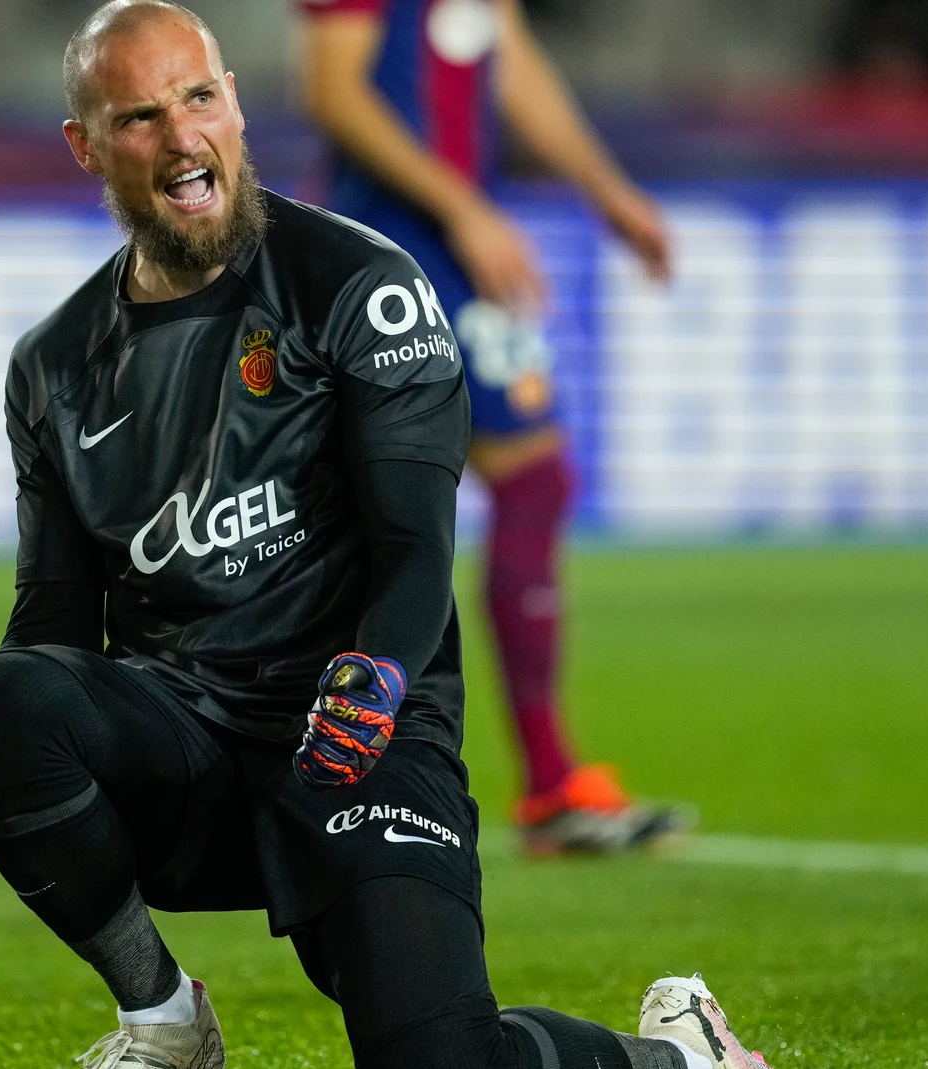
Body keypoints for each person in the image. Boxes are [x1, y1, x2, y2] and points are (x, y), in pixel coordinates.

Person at [0, 4, 771, 1067]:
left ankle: (683, 1055)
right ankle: (163, 1021)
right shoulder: (53, 366)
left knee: (437, 1059)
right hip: (188, 748)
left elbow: (415, 548)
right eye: (141, 117)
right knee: (0, 697)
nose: (183, 137)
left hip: (358, 736)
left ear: (235, 103)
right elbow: (53, 625)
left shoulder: (360, 288)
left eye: (200, 98)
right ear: (86, 146)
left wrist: (380, 677)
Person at [295, 0, 681, 853]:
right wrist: (464, 207)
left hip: (451, 241)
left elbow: (514, 65)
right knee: (378, 508)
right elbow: (334, 91)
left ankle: (546, 782)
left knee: (526, 481)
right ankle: (515, 782)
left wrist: (608, 193)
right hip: (387, 245)